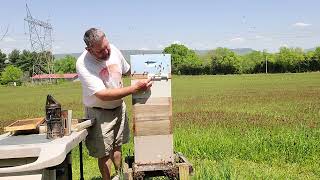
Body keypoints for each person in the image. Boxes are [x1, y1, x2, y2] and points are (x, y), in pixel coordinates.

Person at [76, 28, 152, 180]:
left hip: (119, 107)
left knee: (117, 146)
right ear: (89, 49)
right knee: (104, 152)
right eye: (100, 51)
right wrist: (134, 88)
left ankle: (120, 176)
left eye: (107, 46)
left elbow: (129, 70)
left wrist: (151, 74)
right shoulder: (83, 64)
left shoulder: (114, 50)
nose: (106, 52)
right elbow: (102, 95)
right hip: (99, 112)